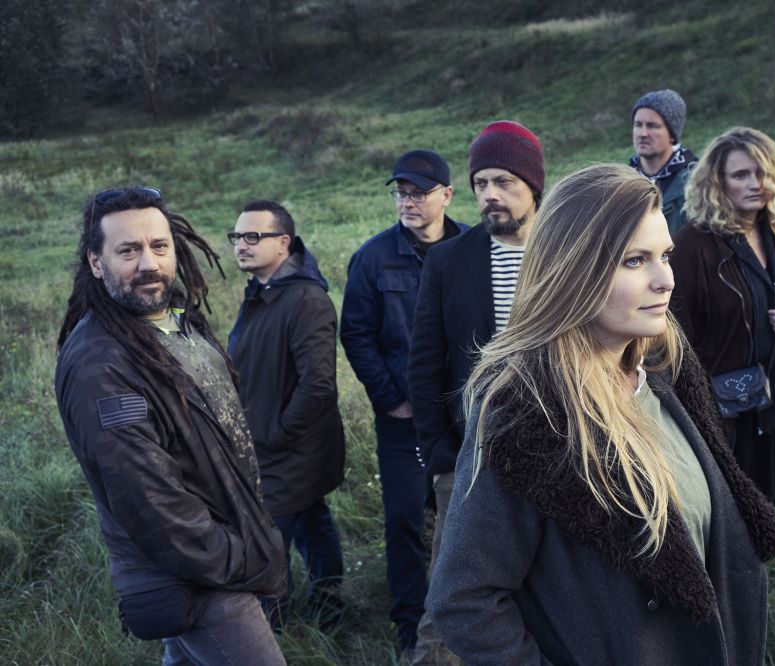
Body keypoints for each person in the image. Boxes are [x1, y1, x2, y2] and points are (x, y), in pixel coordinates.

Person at [425, 163, 775, 664]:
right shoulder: (527, 416)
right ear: (574, 270)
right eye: (635, 261)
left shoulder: (665, 371)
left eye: (665, 255)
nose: (665, 280)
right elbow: (466, 601)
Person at [54, 187, 287, 664]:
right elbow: (145, 494)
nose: (149, 263)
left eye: (159, 246)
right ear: (96, 262)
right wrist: (234, 558)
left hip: (210, 554)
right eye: (128, 251)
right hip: (198, 580)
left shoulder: (176, 320)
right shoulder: (100, 362)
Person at [407, 119, 545, 640]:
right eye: (480, 183)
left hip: (557, 447)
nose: (489, 195)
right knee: (452, 596)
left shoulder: (566, 252)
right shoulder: (449, 260)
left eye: (503, 182)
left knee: (549, 588)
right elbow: (424, 363)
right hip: (470, 455)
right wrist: (440, 456)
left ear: (533, 185)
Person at [341, 150, 467, 661]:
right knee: (404, 520)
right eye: (400, 193)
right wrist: (391, 400)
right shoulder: (373, 258)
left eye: (418, 193)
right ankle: (410, 627)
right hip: (404, 422)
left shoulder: (469, 249)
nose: (407, 202)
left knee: (466, 517)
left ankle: (468, 614)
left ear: (446, 195)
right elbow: (356, 334)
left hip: (460, 417)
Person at [670, 127, 775, 526]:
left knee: (765, 508)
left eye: (762, 173)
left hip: (774, 400)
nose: (756, 184)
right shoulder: (692, 246)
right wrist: (697, 408)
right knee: (728, 518)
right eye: (741, 175)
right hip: (723, 415)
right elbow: (672, 338)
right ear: (717, 182)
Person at [227, 200, 346, 629]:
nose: (241, 245)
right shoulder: (263, 291)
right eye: (237, 236)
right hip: (271, 443)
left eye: (252, 236)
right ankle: (329, 605)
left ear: (283, 242)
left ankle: (271, 626)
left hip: (291, 448)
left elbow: (318, 385)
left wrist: (277, 434)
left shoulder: (306, 299)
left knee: (267, 539)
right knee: (312, 519)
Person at [629, 88, 698, 233]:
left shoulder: (696, 183)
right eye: (638, 125)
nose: (643, 133)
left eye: (652, 126)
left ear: (672, 135)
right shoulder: (622, 181)